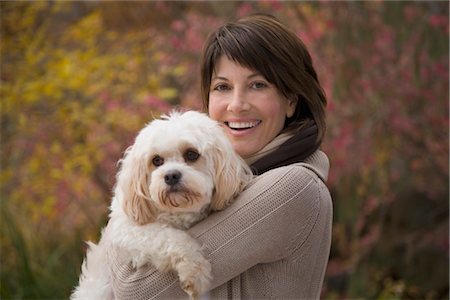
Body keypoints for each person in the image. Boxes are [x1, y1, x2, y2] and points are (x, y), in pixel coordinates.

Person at [107, 14, 332, 299]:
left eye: (258, 85)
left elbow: (136, 288)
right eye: (223, 87)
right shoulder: (218, 185)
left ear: (291, 101)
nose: (237, 105)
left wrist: (124, 208)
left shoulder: (292, 188)